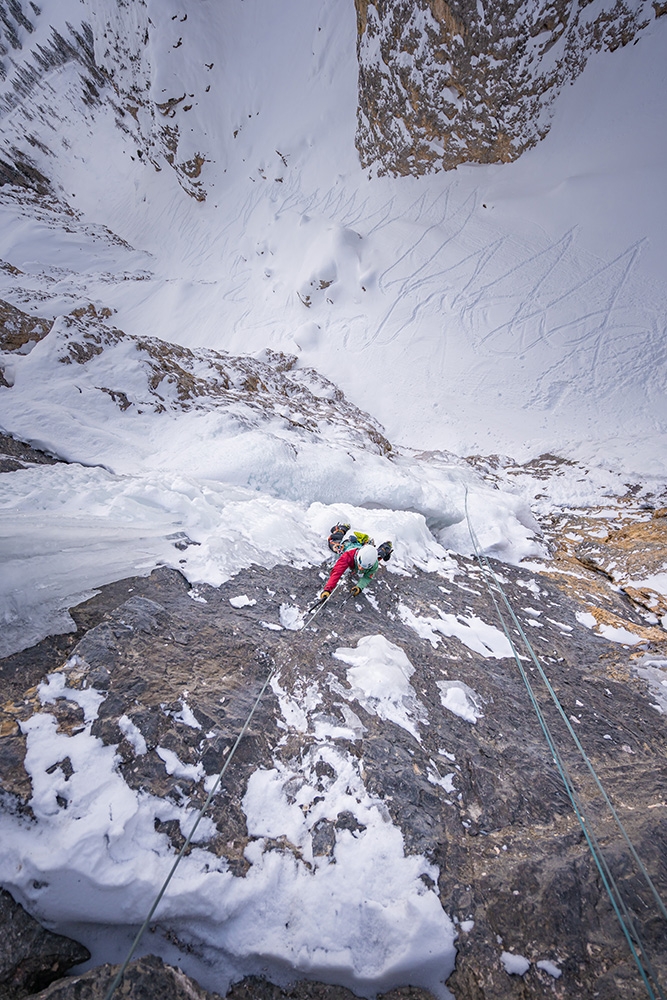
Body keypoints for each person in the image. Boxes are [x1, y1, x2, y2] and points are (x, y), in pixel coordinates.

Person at [319, 526, 393, 600]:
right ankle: (342, 529)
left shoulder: (374, 563)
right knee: (333, 542)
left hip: (364, 548)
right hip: (348, 545)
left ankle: (386, 547)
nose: (360, 568)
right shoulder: (347, 556)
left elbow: (367, 577)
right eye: (360, 564)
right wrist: (327, 590)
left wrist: (359, 587)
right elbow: (336, 572)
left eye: (364, 567)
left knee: (381, 554)